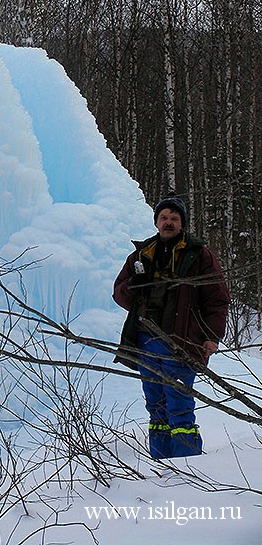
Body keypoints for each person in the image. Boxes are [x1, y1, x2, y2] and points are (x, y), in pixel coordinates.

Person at [113, 195, 230, 459]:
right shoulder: (142, 255)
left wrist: (211, 337)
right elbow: (119, 294)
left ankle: (187, 467)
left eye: (174, 218)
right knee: (156, 407)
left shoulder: (199, 255)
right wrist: (134, 286)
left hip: (182, 343)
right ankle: (161, 464)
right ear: (156, 221)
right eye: (164, 217)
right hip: (145, 341)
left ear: (182, 223)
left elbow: (217, 300)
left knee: (179, 404)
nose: (169, 222)